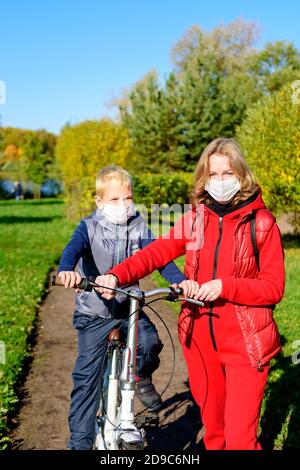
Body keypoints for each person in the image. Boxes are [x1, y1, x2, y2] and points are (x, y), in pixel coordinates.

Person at [96, 138, 285, 450]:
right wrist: (117, 275)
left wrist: (225, 286)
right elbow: (156, 253)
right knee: (214, 435)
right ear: (203, 178)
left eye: (228, 174)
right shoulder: (196, 218)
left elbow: (273, 288)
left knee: (240, 441)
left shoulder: (261, 223)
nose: (220, 182)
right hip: (199, 342)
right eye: (213, 175)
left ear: (242, 175)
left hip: (246, 345)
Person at [57, 165, 188, 450]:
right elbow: (72, 251)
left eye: (127, 199)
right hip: (95, 312)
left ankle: (140, 376)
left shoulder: (139, 225)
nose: (123, 205)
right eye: (114, 200)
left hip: (129, 306)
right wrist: (67, 270)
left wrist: (180, 281)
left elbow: (159, 257)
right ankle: (79, 442)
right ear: (99, 201)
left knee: (150, 342)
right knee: (86, 380)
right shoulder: (88, 227)